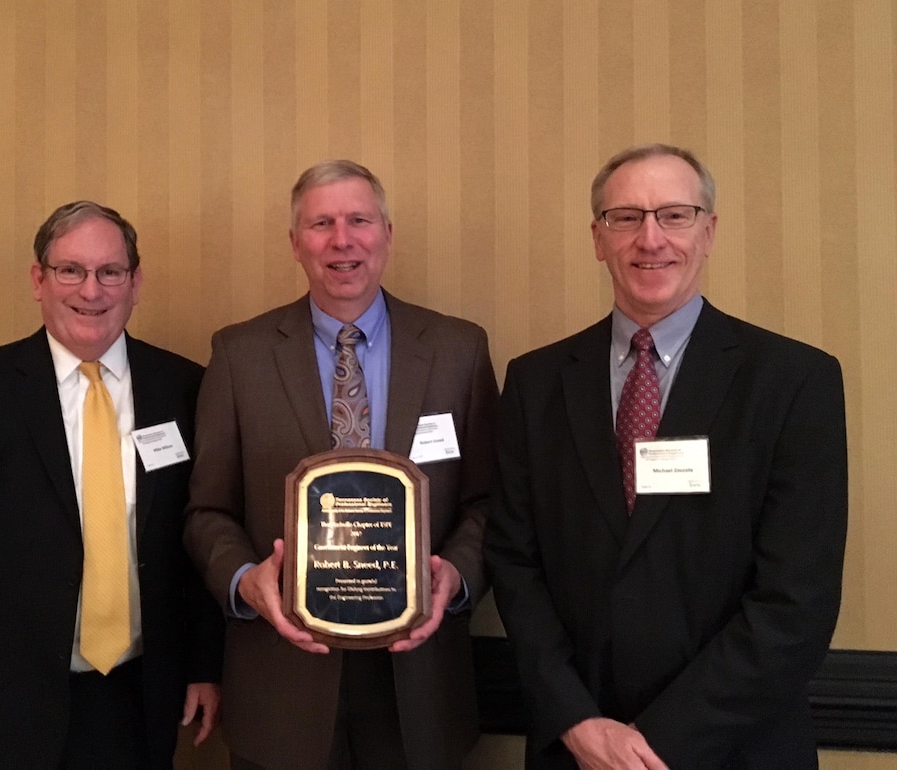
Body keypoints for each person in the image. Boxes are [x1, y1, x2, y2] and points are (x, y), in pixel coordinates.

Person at [485, 143, 848, 768]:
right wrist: (578, 722)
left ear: (709, 232)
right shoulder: (536, 382)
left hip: (736, 747)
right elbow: (515, 565)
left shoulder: (793, 381)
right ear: (598, 239)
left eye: (674, 215)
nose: (649, 239)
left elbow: (798, 599)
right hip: (578, 748)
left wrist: (658, 743)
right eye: (625, 217)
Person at [0, 201, 223, 769]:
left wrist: (204, 666)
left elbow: (200, 534)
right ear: (39, 280)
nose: (91, 290)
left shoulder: (184, 387)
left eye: (110, 272)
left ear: (135, 283)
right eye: (71, 270)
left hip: (139, 699)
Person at [184, 160, 498, 770]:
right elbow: (208, 511)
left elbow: (489, 503)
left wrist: (454, 579)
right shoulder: (238, 355)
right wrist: (246, 579)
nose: (342, 239)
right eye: (321, 223)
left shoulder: (460, 350)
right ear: (296, 243)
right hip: (282, 684)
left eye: (358, 220)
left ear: (387, 232)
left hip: (419, 684)